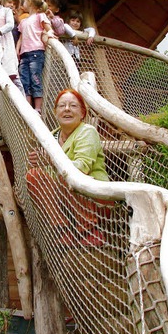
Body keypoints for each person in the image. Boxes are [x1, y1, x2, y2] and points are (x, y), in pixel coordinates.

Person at [27, 88, 111, 246]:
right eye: (62, 106)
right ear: (55, 112)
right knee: (33, 175)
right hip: (66, 202)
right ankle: (61, 228)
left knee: (68, 175)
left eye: (73, 106)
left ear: (82, 113)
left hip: (97, 200)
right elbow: (47, 176)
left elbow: (81, 168)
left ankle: (89, 229)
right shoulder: (50, 137)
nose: (66, 109)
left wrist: (50, 160)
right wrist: (38, 162)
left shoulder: (87, 131)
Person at [16, 0, 53, 114]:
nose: (23, 3)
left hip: (36, 52)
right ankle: (27, 107)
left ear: (30, 2)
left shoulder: (39, 16)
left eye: (25, 1)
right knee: (24, 80)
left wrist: (49, 34)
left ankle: (37, 108)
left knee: (35, 79)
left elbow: (48, 28)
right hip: (24, 54)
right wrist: (17, 50)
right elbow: (21, 38)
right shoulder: (23, 22)